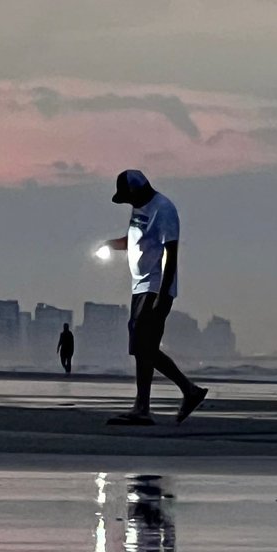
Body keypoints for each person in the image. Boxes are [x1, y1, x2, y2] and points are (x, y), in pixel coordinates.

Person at [102, 169, 207, 425]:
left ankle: (172, 396)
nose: (128, 203)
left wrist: (162, 295)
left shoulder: (164, 209)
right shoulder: (140, 208)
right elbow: (138, 239)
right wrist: (111, 245)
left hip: (155, 287)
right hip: (140, 287)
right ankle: (149, 404)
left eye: (128, 197)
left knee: (143, 346)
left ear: (137, 191)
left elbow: (171, 253)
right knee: (142, 349)